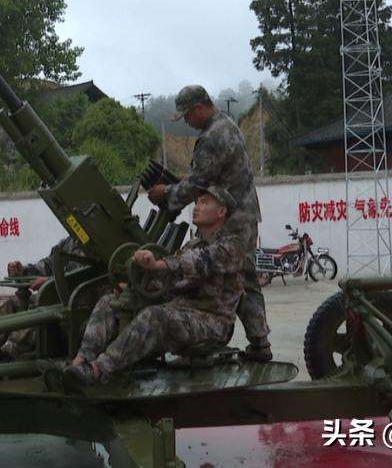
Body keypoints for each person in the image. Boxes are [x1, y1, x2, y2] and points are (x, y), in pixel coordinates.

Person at [63, 185, 244, 385]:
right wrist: (134, 287)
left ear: (221, 211)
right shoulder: (193, 243)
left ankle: (98, 370)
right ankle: (80, 361)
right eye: (197, 202)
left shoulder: (232, 246)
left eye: (204, 202)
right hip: (182, 309)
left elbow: (199, 262)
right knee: (110, 302)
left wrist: (158, 264)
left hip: (213, 321)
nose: (196, 207)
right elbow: (168, 282)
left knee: (156, 316)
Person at [146, 84, 272, 361]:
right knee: (242, 277)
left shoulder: (212, 136)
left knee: (240, 276)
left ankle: (252, 342)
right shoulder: (226, 124)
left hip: (231, 218)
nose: (188, 123)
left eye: (188, 116)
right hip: (242, 212)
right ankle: (259, 342)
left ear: (199, 108)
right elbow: (206, 176)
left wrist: (165, 194)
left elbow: (199, 182)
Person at [0, 235, 88, 364]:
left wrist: (50, 281)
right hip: (57, 296)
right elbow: (48, 264)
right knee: (13, 304)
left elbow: (82, 276)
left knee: (36, 310)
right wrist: (24, 270)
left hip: (79, 300)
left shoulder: (93, 246)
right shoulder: (70, 242)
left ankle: (7, 353)